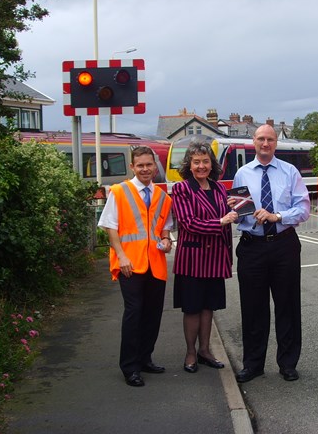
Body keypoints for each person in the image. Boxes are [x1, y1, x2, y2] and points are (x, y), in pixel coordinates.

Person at [230, 124, 310, 383]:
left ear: (276, 143)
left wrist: (277, 216)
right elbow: (239, 214)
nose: (265, 144)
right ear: (253, 141)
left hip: (284, 245)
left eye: (270, 140)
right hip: (252, 246)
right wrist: (235, 212)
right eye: (261, 139)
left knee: (287, 305)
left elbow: (304, 209)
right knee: (253, 309)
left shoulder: (290, 172)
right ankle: (253, 365)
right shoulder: (242, 174)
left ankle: (288, 363)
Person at [97, 146, 173, 387]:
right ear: (132, 167)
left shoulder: (163, 197)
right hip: (130, 264)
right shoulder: (119, 192)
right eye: (140, 165)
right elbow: (110, 226)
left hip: (155, 263)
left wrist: (166, 240)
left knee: (153, 314)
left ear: (154, 166)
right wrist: (121, 256)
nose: (145, 169)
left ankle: (145, 358)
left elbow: (165, 229)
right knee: (134, 313)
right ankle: (130, 367)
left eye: (149, 165)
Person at [171, 142, 238, 373]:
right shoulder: (182, 189)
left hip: (216, 257)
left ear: (212, 164)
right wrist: (220, 221)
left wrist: (235, 213)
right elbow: (188, 223)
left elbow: (228, 219)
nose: (201, 166)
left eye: (205, 161)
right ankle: (191, 352)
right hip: (193, 259)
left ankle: (205, 350)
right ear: (189, 165)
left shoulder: (219, 188)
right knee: (192, 308)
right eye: (197, 162)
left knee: (209, 307)